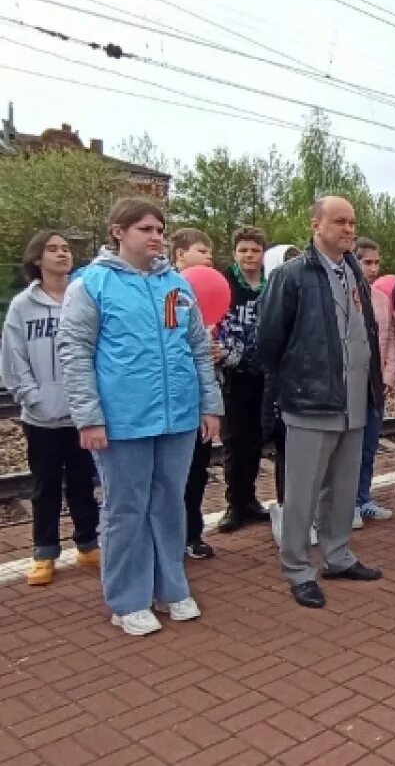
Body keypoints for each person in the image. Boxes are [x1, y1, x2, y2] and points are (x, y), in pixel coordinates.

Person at [59, 198, 223, 636]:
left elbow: (198, 350)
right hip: (122, 420)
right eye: (146, 229)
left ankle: (171, 586)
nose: (156, 236)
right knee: (126, 508)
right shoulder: (92, 284)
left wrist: (210, 405)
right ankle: (127, 599)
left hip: (179, 418)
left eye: (159, 229)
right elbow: (75, 354)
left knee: (169, 503)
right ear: (118, 231)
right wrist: (89, 417)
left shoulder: (176, 285)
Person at [257, 196, 385, 609]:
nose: (348, 229)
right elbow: (270, 342)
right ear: (315, 224)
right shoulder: (292, 276)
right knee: (303, 492)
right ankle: (297, 567)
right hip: (311, 401)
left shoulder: (354, 274)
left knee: (343, 490)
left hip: (354, 400)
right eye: (339, 221)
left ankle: (337, 556)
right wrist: (292, 385)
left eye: (352, 222)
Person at [2, 230, 101, 586]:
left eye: (65, 249)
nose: (62, 254)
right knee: (45, 486)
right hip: (42, 417)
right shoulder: (22, 307)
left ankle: (88, 544)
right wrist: (35, 398)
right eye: (52, 249)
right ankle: (44, 552)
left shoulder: (85, 297)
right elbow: (14, 361)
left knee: (83, 481)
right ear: (36, 259)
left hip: (83, 414)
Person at [214, 226, 271, 535]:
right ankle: (234, 504)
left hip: (264, 372)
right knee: (235, 439)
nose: (249, 256)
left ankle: (250, 500)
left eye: (255, 250)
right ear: (234, 253)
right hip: (234, 372)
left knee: (256, 439)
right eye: (243, 250)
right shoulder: (224, 283)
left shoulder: (270, 283)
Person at [169, 228, 220, 559]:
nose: (209, 257)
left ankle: (192, 533)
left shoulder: (213, 291)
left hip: (198, 397)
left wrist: (218, 350)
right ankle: (169, 537)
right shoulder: (169, 292)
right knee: (171, 476)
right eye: (202, 251)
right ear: (180, 255)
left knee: (197, 471)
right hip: (171, 399)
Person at [351, 237, 395, 527]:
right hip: (349, 385)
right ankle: (347, 504)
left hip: (375, 385)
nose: (373, 268)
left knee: (369, 445)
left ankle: (363, 498)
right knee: (348, 449)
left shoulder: (381, 300)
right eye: (367, 262)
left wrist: (388, 376)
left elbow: (392, 339)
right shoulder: (341, 296)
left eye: (377, 262)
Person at [261, 244, 301, 547]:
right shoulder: (270, 296)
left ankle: (303, 514)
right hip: (282, 386)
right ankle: (287, 513)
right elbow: (269, 345)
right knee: (287, 452)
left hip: (304, 387)